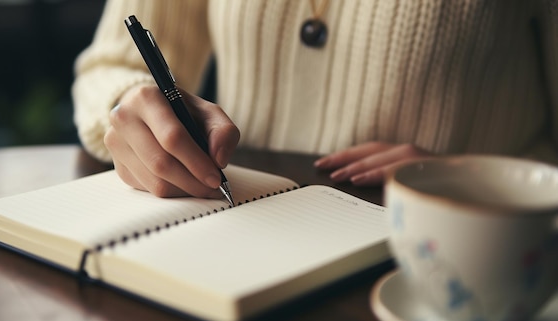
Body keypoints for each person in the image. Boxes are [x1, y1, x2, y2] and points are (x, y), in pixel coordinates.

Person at [72, 0, 558, 199]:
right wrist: (128, 104)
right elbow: (110, 65)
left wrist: (490, 187)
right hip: (239, 230)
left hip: (467, 268)